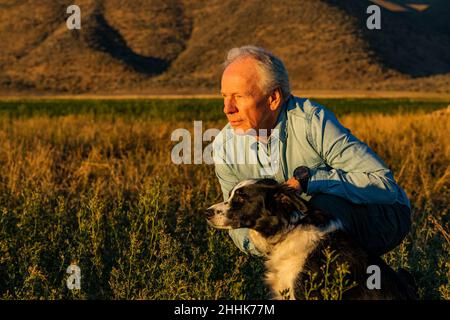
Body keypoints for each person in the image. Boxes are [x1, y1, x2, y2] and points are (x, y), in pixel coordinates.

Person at [213, 45, 411, 257]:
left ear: (273, 98)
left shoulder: (311, 122)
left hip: (384, 214)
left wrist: (310, 181)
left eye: (239, 96)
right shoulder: (224, 146)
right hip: (301, 232)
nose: (227, 108)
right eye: (224, 96)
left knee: (319, 212)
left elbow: (384, 185)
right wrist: (268, 244)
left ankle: (351, 284)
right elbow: (235, 219)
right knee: (299, 233)